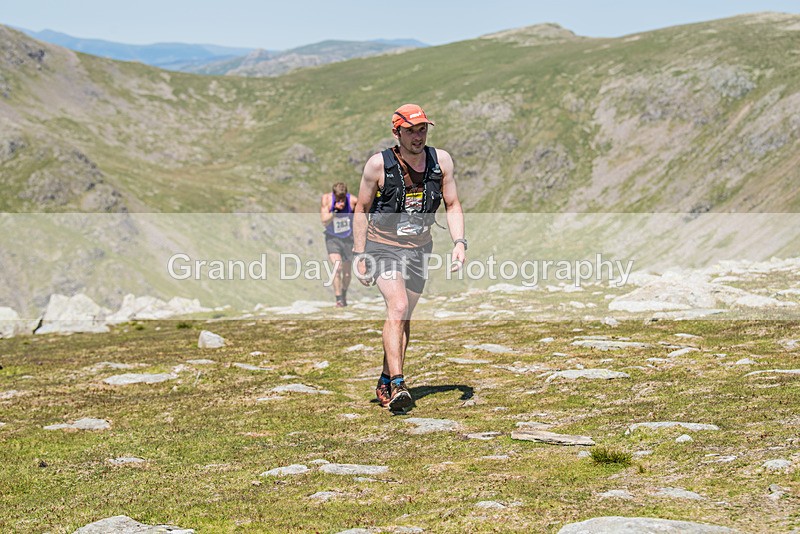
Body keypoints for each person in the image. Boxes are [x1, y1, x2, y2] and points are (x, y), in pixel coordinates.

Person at [352, 103, 466, 412]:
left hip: (419, 247)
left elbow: (452, 203)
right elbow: (361, 209)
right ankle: (400, 383)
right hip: (383, 246)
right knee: (398, 306)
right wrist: (360, 253)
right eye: (411, 131)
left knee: (403, 317)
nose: (418, 137)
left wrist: (459, 242)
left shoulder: (440, 161)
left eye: (422, 129)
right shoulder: (378, 165)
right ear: (396, 132)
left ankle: (386, 377)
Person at [320, 182, 358, 307]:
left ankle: (344, 293)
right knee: (337, 268)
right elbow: (324, 221)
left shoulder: (353, 201)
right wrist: (335, 211)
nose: (341, 201)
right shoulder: (327, 199)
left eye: (342, 199)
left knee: (347, 273)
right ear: (334, 195)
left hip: (348, 238)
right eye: (338, 198)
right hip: (333, 238)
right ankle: (338, 299)